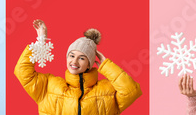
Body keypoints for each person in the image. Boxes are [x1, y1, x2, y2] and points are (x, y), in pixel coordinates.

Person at [14, 19, 142, 115]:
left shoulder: (107, 91)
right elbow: (22, 72)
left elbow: (131, 91)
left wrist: (106, 65)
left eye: (82, 58)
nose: (74, 61)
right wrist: (40, 42)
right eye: (71, 55)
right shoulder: (48, 86)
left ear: (89, 64)